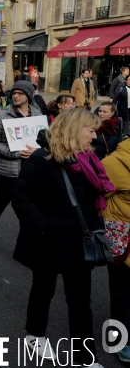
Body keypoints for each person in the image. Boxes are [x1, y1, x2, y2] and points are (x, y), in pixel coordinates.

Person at [11, 108, 113, 367]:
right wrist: (43, 226)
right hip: (47, 242)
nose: (93, 136)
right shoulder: (41, 160)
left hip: (79, 244)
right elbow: (21, 199)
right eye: (89, 130)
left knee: (80, 303)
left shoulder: (90, 160)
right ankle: (35, 336)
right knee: (43, 291)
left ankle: (85, 358)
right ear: (73, 129)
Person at [0, 80, 42, 250]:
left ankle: (27, 242)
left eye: (20, 93)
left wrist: (37, 152)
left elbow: (44, 140)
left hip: (29, 170)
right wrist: (16, 153)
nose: (15, 96)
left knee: (28, 208)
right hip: (7, 170)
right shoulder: (3, 115)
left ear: (28, 96)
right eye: (13, 93)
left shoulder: (36, 114)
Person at [101, 139, 130, 363]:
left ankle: (121, 341)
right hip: (123, 237)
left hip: (119, 237)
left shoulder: (111, 161)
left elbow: (98, 197)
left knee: (121, 291)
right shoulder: (113, 162)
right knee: (122, 290)